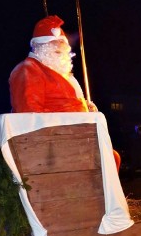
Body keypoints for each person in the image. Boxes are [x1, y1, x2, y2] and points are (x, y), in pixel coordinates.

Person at [9, 15, 121, 170]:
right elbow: (29, 114)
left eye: (62, 47)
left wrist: (85, 108)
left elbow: (64, 100)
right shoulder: (28, 70)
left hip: (74, 136)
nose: (59, 51)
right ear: (40, 47)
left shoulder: (60, 73)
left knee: (111, 157)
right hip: (54, 141)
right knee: (107, 159)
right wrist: (72, 116)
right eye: (54, 47)